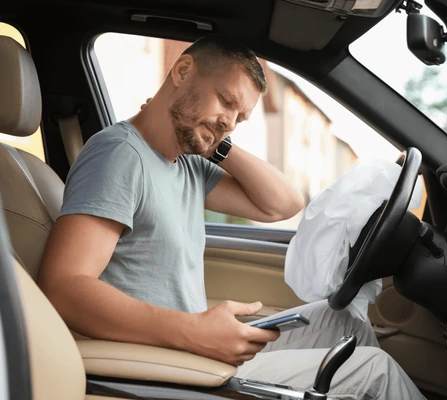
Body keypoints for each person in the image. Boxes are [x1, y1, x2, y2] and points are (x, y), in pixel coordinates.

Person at [38, 34, 425, 400]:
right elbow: (63, 286)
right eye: (225, 100)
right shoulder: (119, 156)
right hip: (165, 362)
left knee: (342, 321)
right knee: (376, 370)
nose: (228, 122)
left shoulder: (186, 164)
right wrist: (194, 331)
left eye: (240, 118)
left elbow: (283, 203)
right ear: (182, 70)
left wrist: (215, 140)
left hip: (190, 344)